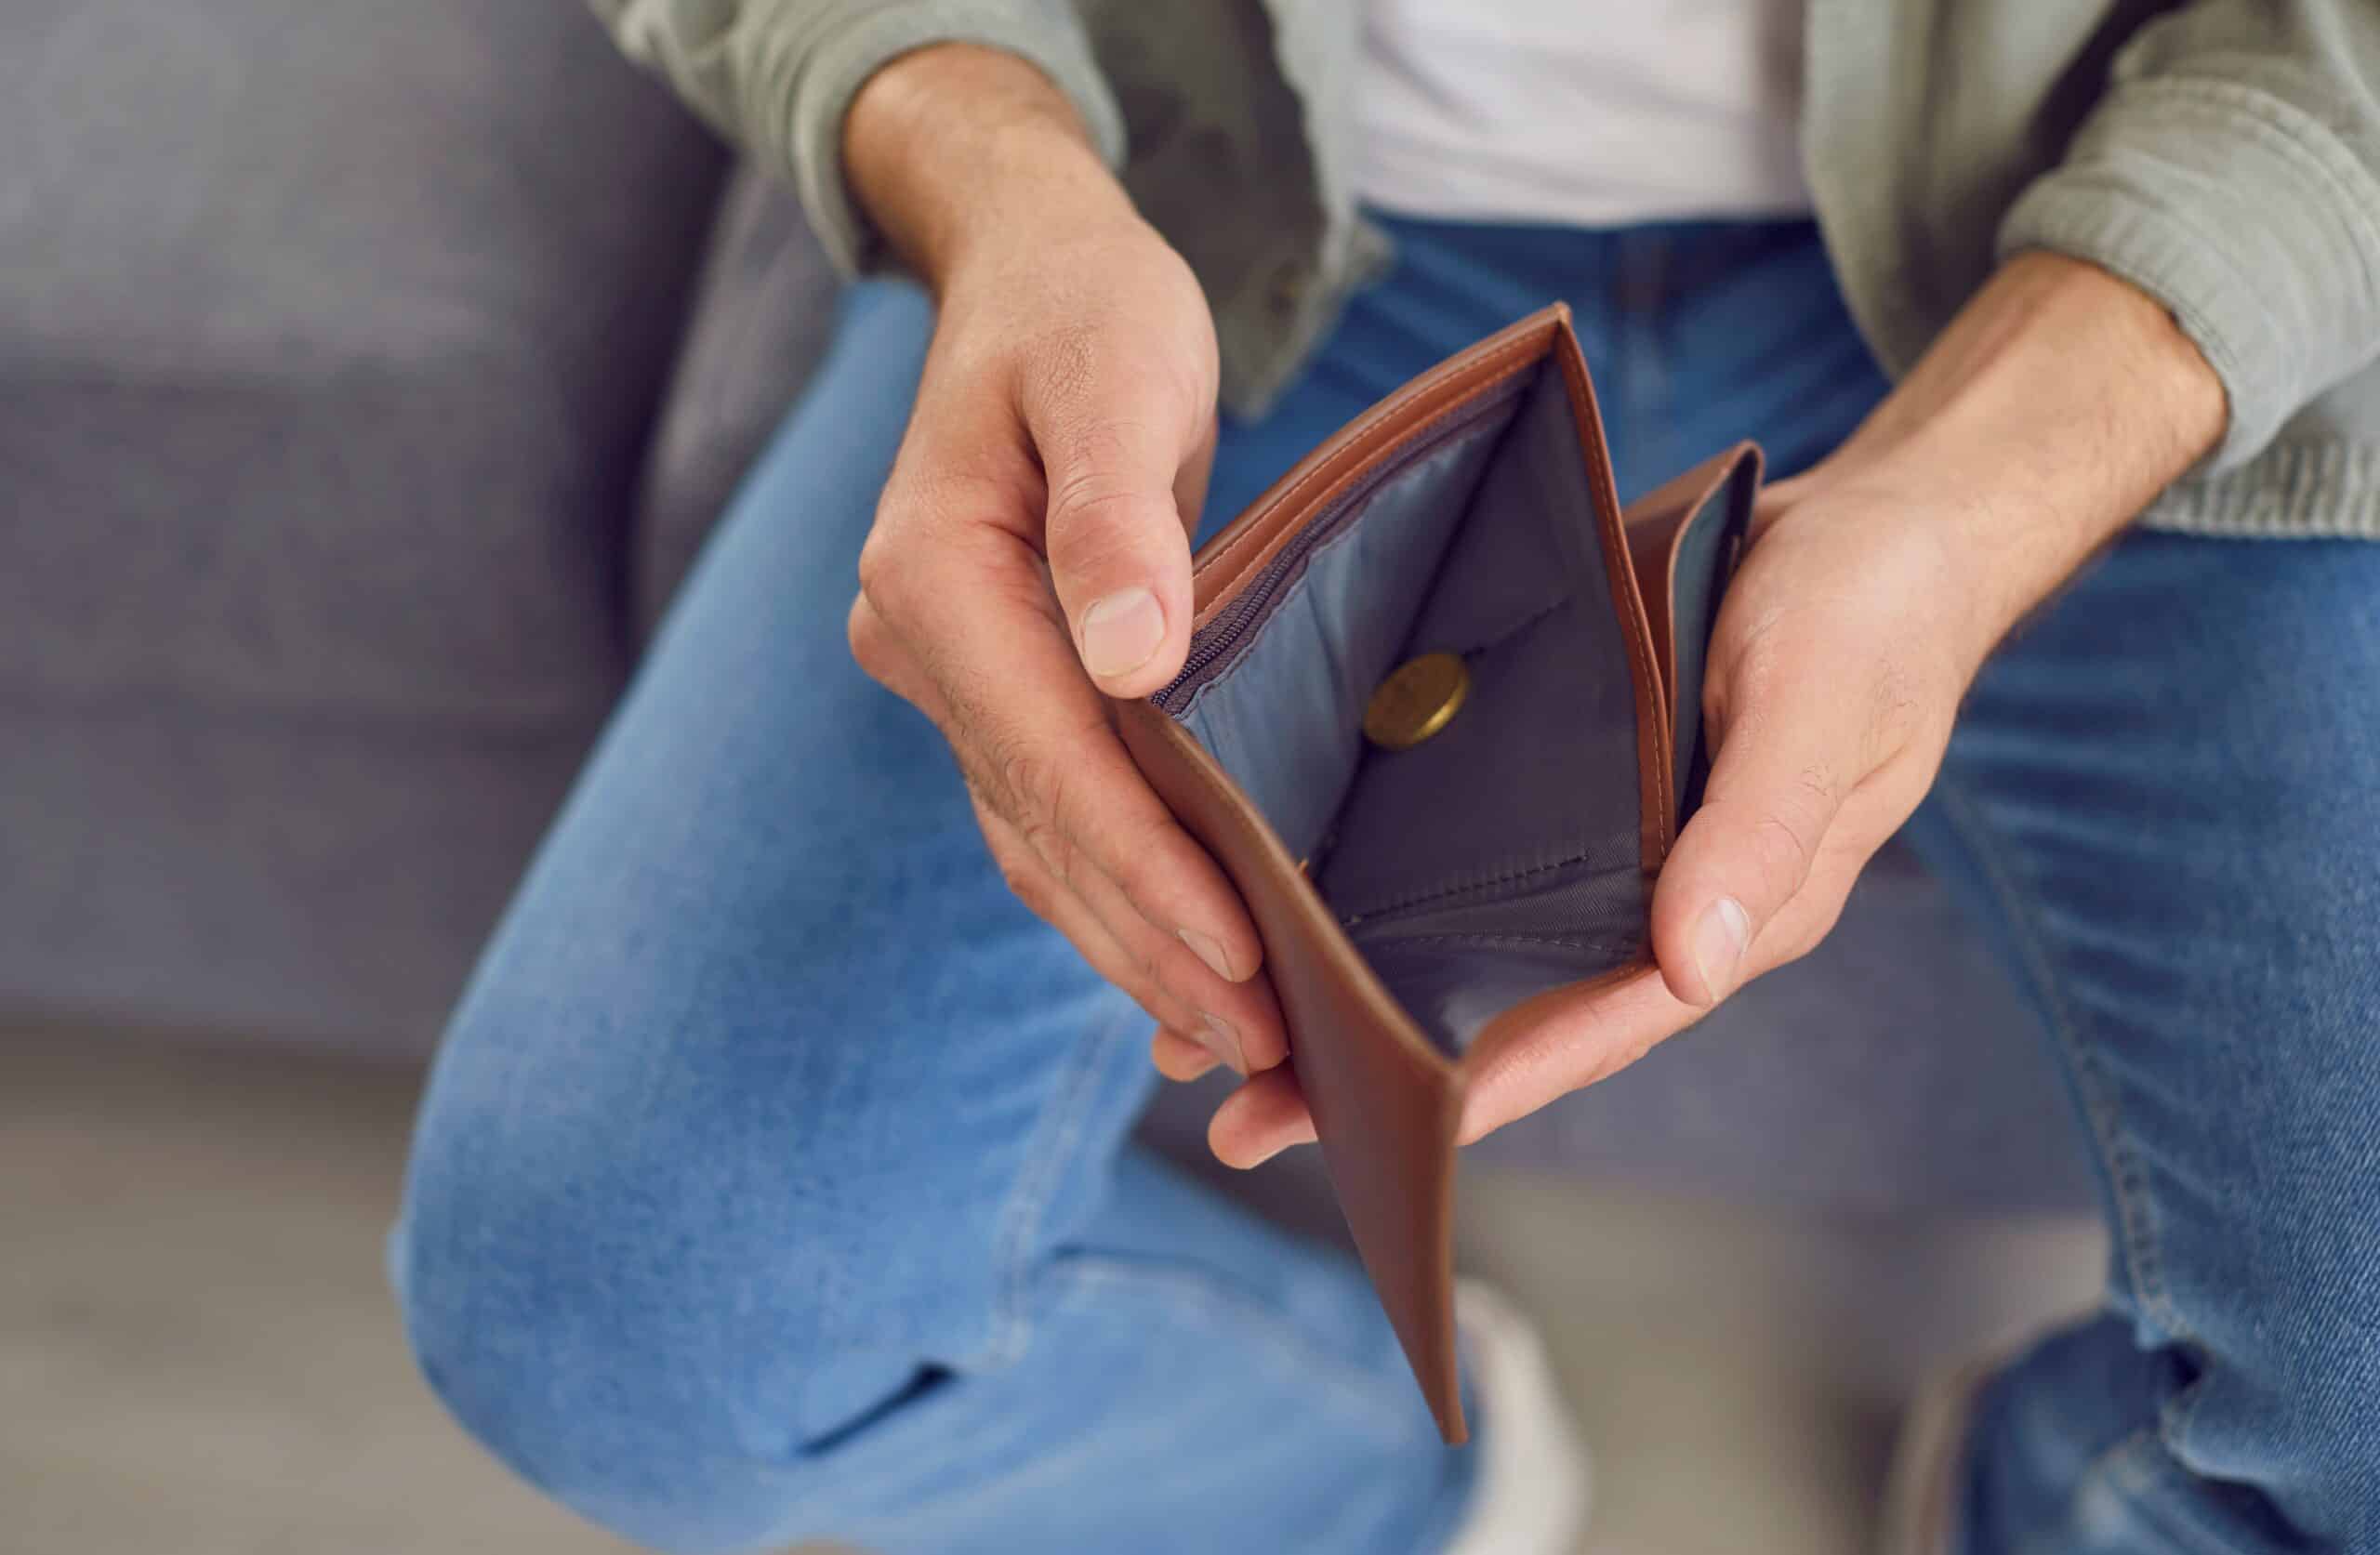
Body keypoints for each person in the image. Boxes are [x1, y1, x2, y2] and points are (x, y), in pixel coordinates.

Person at [390, 3, 2380, 1551]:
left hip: (2123, 246)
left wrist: (1974, 500)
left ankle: (2052, 1499)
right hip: (1197, 223)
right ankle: (1367, 1483)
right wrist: (988, 163)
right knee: (616, 1322)